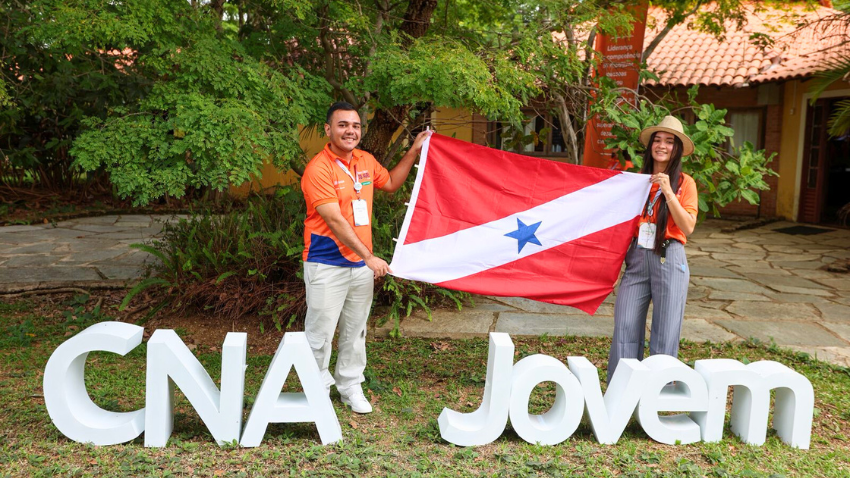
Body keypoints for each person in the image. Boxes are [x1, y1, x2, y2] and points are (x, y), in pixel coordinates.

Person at [300, 101, 431, 413]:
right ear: (329, 130)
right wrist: (369, 257)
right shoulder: (318, 168)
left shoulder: (365, 161)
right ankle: (315, 388)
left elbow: (391, 183)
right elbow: (334, 221)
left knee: (356, 332)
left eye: (356, 126)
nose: (350, 131)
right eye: (343, 125)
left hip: (359, 264)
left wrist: (413, 151)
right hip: (326, 262)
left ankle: (350, 386)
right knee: (319, 333)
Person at [607, 115, 698, 382]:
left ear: (677, 148)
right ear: (650, 147)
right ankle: (621, 391)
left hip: (668, 256)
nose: (662, 146)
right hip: (637, 257)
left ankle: (658, 396)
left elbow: (688, 226)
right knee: (624, 324)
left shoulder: (684, 183)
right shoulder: (638, 181)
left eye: (669, 141)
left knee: (665, 331)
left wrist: (669, 192)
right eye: (657, 140)